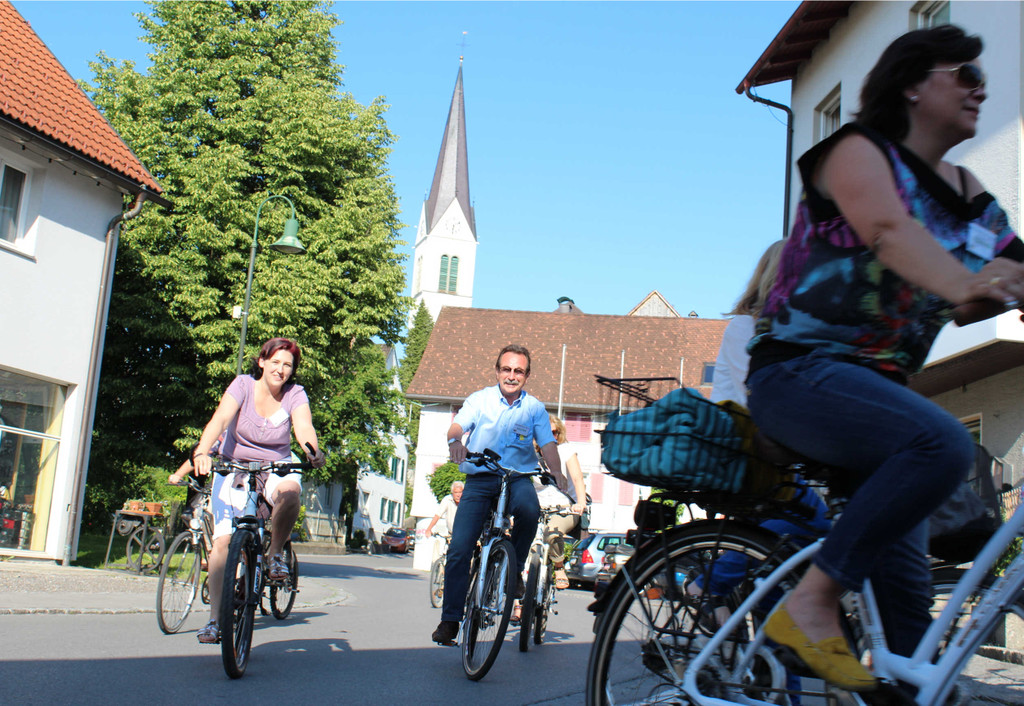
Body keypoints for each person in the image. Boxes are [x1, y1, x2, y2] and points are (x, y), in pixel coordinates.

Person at [746, 25, 1024, 692]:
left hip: (877, 404)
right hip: (799, 374)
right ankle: (809, 605)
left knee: (910, 641)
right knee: (944, 444)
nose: (981, 89)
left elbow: (1014, 265)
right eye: (965, 74)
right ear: (912, 84)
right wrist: (965, 284)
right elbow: (888, 230)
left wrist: (996, 283)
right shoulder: (855, 151)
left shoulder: (970, 195)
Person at [189, 337, 326, 644]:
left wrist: (312, 451)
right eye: (275, 362)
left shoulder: (295, 394)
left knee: (290, 493)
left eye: (287, 365)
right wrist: (202, 452)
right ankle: (215, 621)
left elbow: (304, 427)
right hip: (234, 465)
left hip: (276, 465)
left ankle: (275, 554)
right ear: (262, 362)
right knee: (222, 544)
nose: (281, 369)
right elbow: (220, 419)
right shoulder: (243, 385)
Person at [431, 344, 566, 646]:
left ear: (527, 376)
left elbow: (547, 443)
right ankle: (450, 620)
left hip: (517, 477)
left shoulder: (534, 409)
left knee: (530, 510)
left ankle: (513, 569)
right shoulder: (480, 400)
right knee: (459, 548)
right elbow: (457, 425)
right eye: (506, 369)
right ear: (497, 371)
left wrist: (557, 472)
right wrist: (455, 442)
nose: (511, 375)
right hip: (481, 477)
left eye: (518, 371)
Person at [536, 414, 588, 590]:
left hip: (563, 508)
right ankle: (519, 598)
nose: (551, 436)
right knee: (524, 546)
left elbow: (578, 478)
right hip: (538, 509)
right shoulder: (530, 455)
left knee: (552, 533)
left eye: (554, 432)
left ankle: (558, 567)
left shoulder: (566, 450)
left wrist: (581, 503)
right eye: (546, 432)